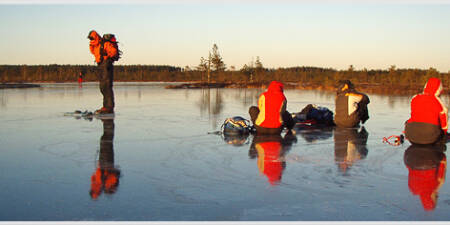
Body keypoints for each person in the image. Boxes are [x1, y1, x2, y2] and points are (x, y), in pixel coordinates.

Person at [405, 77, 448, 145]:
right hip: (431, 138)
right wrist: (444, 134)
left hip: (411, 136)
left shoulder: (415, 97)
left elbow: (414, 115)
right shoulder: (437, 101)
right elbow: (444, 120)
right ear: (438, 90)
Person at [403, 144, 446, 211]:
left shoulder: (437, 183)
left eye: (436, 197)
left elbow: (443, 159)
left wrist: (441, 181)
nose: (437, 195)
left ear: (432, 198)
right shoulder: (413, 189)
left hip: (431, 152)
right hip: (412, 152)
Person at [87, 30, 117, 114]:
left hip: (106, 65)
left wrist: (107, 56)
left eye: (92, 38)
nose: (90, 40)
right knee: (103, 87)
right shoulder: (95, 46)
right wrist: (91, 44)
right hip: (100, 65)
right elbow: (93, 52)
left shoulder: (105, 44)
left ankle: (109, 107)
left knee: (107, 86)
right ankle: (105, 106)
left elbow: (114, 52)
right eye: (90, 39)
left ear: (95, 37)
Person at [90, 119, 121, 199]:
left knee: (105, 141)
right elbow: (115, 175)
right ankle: (108, 123)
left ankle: (108, 123)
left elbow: (94, 176)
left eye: (96, 192)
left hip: (103, 163)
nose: (98, 192)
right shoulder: (105, 185)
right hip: (106, 163)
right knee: (105, 141)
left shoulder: (99, 184)